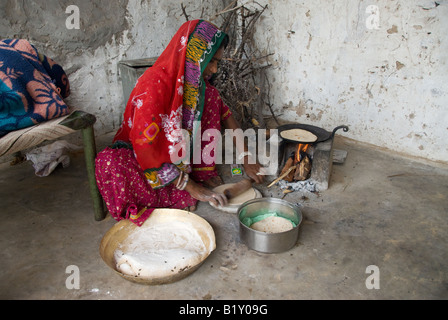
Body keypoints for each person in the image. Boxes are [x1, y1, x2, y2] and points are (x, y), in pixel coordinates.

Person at [95, 20, 263, 226]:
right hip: (142, 160)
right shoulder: (154, 83)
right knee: (109, 162)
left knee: (210, 98)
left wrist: (246, 157)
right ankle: (181, 188)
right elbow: (144, 147)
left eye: (217, 62)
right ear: (194, 56)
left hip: (177, 164)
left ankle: (195, 178)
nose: (214, 69)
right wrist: (189, 186)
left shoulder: (200, 88)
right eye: (211, 61)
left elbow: (227, 117)